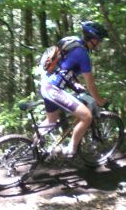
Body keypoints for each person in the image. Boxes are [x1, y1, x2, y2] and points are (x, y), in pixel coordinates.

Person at [40, 20, 109, 157]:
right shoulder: (83, 55)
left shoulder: (72, 42)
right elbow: (91, 84)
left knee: (51, 121)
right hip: (54, 89)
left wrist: (75, 84)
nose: (99, 43)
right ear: (93, 39)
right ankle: (71, 149)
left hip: (46, 85)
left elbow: (64, 67)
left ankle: (32, 147)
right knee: (87, 116)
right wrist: (100, 101)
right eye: (99, 40)